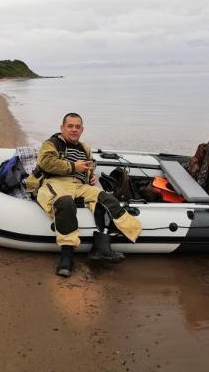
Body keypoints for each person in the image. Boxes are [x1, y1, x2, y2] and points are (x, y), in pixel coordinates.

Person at [25, 113, 142, 277]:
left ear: (82, 129)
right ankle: (67, 256)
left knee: (108, 199)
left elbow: (87, 169)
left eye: (77, 127)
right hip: (55, 183)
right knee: (65, 203)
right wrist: (74, 167)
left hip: (80, 185)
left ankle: (103, 247)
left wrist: (90, 176)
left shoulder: (85, 148)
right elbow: (47, 163)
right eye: (70, 126)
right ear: (62, 128)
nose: (74, 130)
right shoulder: (52, 144)